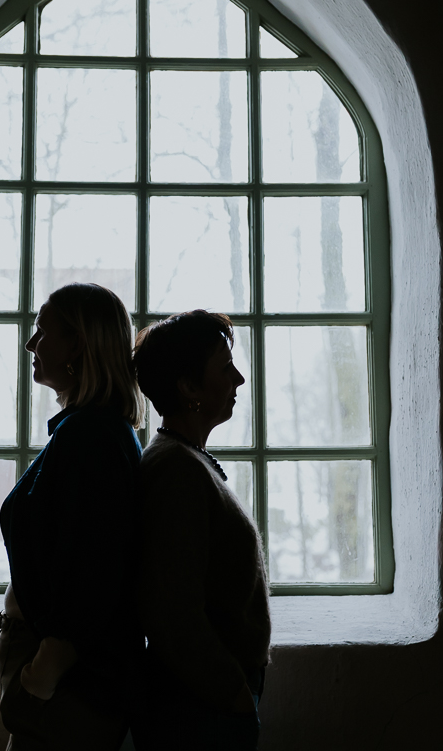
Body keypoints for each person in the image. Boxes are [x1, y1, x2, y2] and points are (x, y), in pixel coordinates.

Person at [0, 283, 145, 751]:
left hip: (66, 684)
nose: (30, 344)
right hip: (68, 679)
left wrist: (40, 677)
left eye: (42, 332)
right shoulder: (91, 431)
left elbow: (92, 571)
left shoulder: (91, 437)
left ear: (78, 345)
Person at [130, 310, 271, 751]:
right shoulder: (176, 470)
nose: (239, 379)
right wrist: (233, 693)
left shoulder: (185, 460)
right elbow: (174, 613)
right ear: (189, 388)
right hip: (196, 711)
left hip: (202, 703)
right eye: (225, 368)